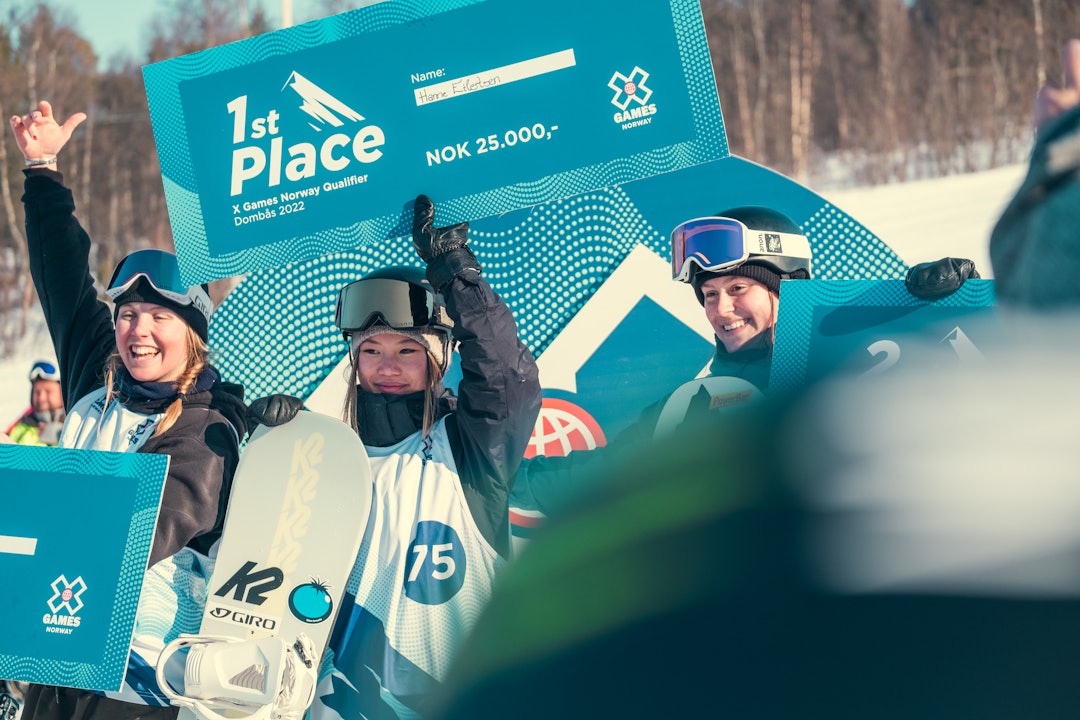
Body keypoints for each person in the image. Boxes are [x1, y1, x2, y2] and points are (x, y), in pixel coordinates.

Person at [247, 194, 541, 718]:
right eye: (371, 350)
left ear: (439, 357)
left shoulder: (470, 449)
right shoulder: (325, 461)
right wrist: (269, 449)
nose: (388, 366)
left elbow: (504, 376)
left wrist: (457, 273)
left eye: (408, 350)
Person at [9, 101, 247, 719]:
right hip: (60, 662)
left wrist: (23, 533)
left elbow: (139, 531)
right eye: (128, 315)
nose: (138, 331)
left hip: (139, 685)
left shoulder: (207, 428)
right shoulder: (100, 380)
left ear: (192, 333)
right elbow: (64, 280)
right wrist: (42, 170)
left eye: (159, 316)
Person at [5, 360, 66, 446]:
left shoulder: (77, 422)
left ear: (62, 394)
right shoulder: (21, 429)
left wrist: (61, 434)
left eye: (48, 391)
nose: (41, 398)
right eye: (37, 392)